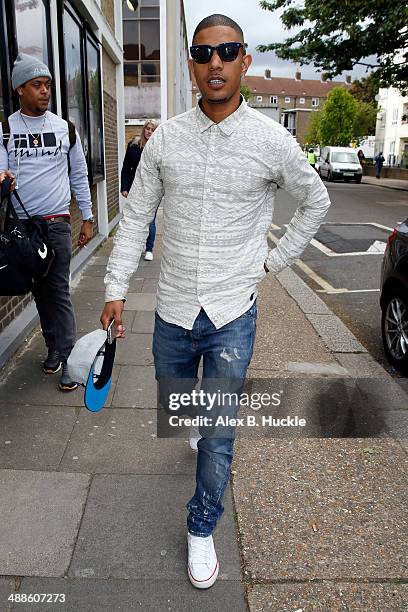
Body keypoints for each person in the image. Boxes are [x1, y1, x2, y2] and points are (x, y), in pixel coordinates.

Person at [100, 14, 331, 589]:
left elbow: (315, 200)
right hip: (173, 308)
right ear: (193, 63)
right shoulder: (166, 140)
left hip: (232, 311)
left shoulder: (272, 141)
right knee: (180, 415)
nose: (215, 64)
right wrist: (114, 289)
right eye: (203, 54)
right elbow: (134, 219)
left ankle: (202, 526)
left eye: (227, 52)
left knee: (220, 432)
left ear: (245, 60)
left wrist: (271, 263)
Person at [0, 53, 93, 391]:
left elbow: (79, 174)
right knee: (39, 292)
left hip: (56, 223)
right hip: (22, 230)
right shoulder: (6, 130)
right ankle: (54, 347)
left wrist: (88, 217)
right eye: (37, 85)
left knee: (58, 292)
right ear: (19, 89)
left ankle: (69, 359)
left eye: (48, 85)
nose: (45, 91)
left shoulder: (65, 128)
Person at [121, 119, 159, 261]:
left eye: (153, 129)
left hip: (152, 189)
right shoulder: (134, 146)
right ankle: (137, 246)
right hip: (134, 188)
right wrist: (124, 187)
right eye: (148, 128)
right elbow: (126, 167)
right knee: (136, 219)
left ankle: (149, 249)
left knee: (150, 220)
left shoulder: (158, 148)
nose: (149, 131)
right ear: (144, 130)